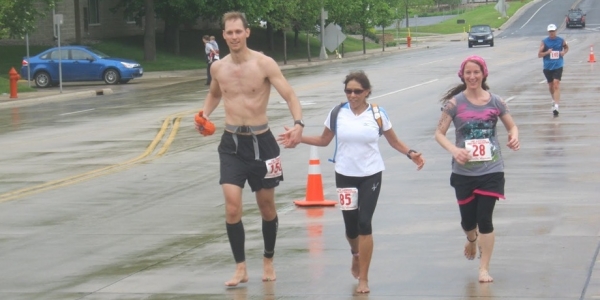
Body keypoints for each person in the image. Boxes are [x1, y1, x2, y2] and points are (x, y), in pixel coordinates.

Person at [279, 70, 425, 293]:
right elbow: (324, 140)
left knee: (365, 223)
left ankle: (364, 279)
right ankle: (356, 254)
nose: (352, 95)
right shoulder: (338, 113)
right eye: (348, 91)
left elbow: (394, 142)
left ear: (367, 92)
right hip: (345, 174)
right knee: (351, 227)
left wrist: (411, 153)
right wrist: (298, 138)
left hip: (371, 174)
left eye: (357, 91)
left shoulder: (377, 114)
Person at [195, 11, 304, 286]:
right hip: (231, 143)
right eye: (228, 32)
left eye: (237, 32)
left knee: (266, 206)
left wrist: (298, 123)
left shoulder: (264, 64)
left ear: (247, 33)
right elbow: (215, 94)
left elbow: (289, 94)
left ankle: (268, 258)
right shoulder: (218, 68)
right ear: (223, 35)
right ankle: (240, 267)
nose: (233, 36)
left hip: (263, 143)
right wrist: (204, 114)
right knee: (232, 208)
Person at [434, 55, 520, 283]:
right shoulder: (454, 103)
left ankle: (484, 268)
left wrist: (514, 137)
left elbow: (512, 126)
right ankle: (471, 240)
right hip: (463, 172)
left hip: (492, 169)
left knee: (485, 220)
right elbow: (439, 134)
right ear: (462, 75)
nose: (472, 77)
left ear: (484, 74)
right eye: (468, 73)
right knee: (468, 222)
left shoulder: (496, 102)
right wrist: (454, 150)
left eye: (476, 72)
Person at [538, 24, 568, 116]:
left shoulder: (561, 40)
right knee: (551, 86)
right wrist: (547, 52)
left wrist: (564, 52)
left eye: (553, 31)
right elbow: (539, 54)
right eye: (550, 31)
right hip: (547, 67)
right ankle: (553, 99)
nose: (552, 33)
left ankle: (556, 106)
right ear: (548, 32)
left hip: (558, 65)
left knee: (556, 84)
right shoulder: (544, 42)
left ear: (556, 31)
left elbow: (566, 47)